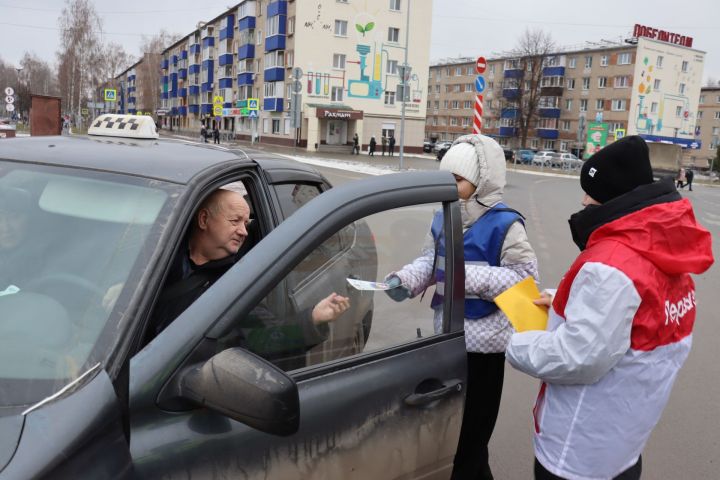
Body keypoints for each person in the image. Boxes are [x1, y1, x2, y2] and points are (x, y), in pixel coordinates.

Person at [505, 136, 714, 480]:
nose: (584, 199)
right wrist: (563, 298)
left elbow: (578, 356)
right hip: (623, 443)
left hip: (579, 453)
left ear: (615, 194)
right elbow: (634, 309)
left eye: (592, 190)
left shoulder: (611, 264)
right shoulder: (661, 246)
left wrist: (515, 343)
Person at [384, 134, 538, 480]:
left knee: (472, 437)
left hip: (485, 351)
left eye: (457, 180)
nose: (450, 187)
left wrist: (466, 278)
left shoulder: (505, 224)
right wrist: (404, 281)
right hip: (449, 339)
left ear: (480, 181)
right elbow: (429, 260)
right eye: (446, 179)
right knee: (452, 435)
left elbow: (525, 280)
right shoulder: (443, 216)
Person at [152, 188, 350, 366]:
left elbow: (266, 337)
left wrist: (313, 318)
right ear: (203, 220)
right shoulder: (157, 257)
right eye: (235, 221)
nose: (243, 231)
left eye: (246, 223)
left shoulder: (238, 281)